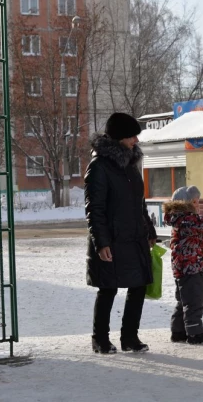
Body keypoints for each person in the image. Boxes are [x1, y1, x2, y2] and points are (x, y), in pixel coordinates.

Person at [85, 112, 157, 354]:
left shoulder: (130, 165)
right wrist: (101, 242)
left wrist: (149, 230)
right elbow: (94, 209)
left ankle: (130, 337)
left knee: (138, 287)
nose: (135, 140)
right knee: (108, 288)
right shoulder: (99, 167)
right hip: (112, 240)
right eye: (131, 136)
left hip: (135, 238)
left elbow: (140, 202)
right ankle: (100, 339)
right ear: (119, 137)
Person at [163, 186, 203, 345]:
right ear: (184, 204)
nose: (198, 205)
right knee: (194, 301)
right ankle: (195, 334)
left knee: (184, 301)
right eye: (194, 202)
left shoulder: (182, 219)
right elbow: (202, 224)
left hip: (185, 266)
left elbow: (191, 239)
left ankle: (178, 332)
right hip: (190, 267)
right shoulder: (186, 218)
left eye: (198, 201)